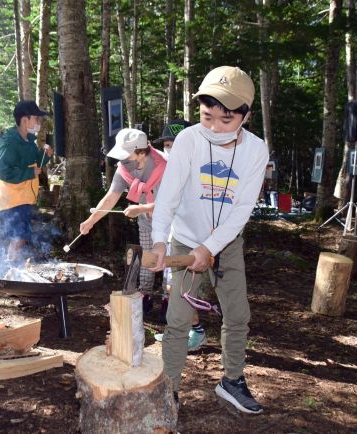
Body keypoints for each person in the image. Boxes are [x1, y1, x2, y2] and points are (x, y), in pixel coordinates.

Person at [149, 66, 269, 414]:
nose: (214, 127)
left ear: (246, 115)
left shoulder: (256, 151)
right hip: (185, 242)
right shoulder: (188, 140)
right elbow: (168, 196)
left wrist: (211, 248)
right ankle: (167, 389)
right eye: (206, 117)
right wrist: (160, 242)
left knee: (237, 315)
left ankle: (232, 381)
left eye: (226, 119)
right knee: (178, 320)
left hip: (228, 244)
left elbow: (242, 209)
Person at [80, 128, 167, 301]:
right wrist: (91, 221)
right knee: (147, 257)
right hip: (147, 221)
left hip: (174, 223)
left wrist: (141, 209)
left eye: (126, 154)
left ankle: (168, 300)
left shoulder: (166, 165)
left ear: (141, 153)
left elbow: (173, 203)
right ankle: (145, 296)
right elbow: (110, 198)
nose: (122, 159)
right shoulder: (124, 169)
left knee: (169, 263)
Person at [150, 120, 207, 352]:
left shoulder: (199, 170)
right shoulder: (169, 169)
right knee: (172, 288)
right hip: (173, 237)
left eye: (174, 143)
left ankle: (197, 331)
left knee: (182, 288)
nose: (169, 148)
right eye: (166, 144)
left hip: (191, 241)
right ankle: (178, 331)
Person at [0, 100, 52, 262]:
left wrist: (44, 157)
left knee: (22, 237)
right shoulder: (11, 141)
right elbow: (2, 171)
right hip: (13, 201)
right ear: (25, 120)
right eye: (36, 119)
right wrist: (29, 172)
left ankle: (14, 267)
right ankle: (11, 268)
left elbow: (34, 165)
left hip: (24, 198)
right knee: (19, 238)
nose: (39, 122)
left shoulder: (29, 142)